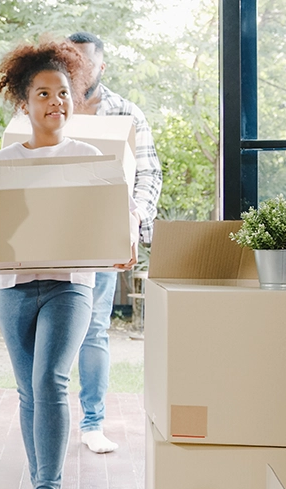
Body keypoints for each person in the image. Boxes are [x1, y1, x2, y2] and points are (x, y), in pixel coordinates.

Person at [0, 38, 139, 489]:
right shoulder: (2, 162)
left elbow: (123, 211)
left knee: (50, 379)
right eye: (43, 93)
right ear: (23, 102)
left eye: (62, 93)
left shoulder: (89, 158)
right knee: (28, 391)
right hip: (14, 288)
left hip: (69, 286)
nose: (56, 102)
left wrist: (128, 240)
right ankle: (42, 485)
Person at [67, 31, 163, 454]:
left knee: (95, 331)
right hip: (49, 238)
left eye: (86, 63)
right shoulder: (43, 106)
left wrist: (133, 221)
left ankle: (92, 422)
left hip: (103, 236)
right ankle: (43, 417)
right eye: (71, 61)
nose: (78, 70)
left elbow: (148, 175)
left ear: (101, 67)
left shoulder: (125, 112)